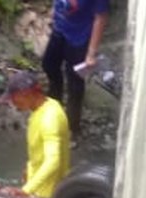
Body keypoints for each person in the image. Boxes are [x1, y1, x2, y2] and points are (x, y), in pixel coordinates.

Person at [41, 0, 110, 137]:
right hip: (60, 30)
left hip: (79, 38)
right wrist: (53, 16)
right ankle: (54, 109)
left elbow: (100, 18)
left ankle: (72, 127)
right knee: (49, 64)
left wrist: (91, 53)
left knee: (74, 82)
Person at [0, 71, 70, 198]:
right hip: (38, 183)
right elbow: (38, 148)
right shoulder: (49, 105)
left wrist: (26, 190)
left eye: (14, 98)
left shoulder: (50, 119)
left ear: (25, 94)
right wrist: (29, 167)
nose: (13, 103)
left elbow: (53, 161)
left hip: (46, 193)